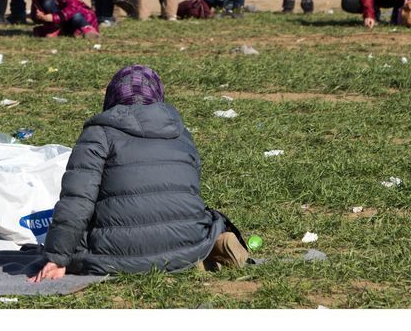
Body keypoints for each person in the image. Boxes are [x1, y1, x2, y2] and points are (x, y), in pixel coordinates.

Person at [29, 65, 249, 280]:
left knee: (81, 245)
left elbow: (77, 201)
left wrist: (57, 258)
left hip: (116, 255)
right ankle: (204, 250)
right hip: (188, 243)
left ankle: (169, 258)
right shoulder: (181, 133)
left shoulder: (99, 133)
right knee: (211, 218)